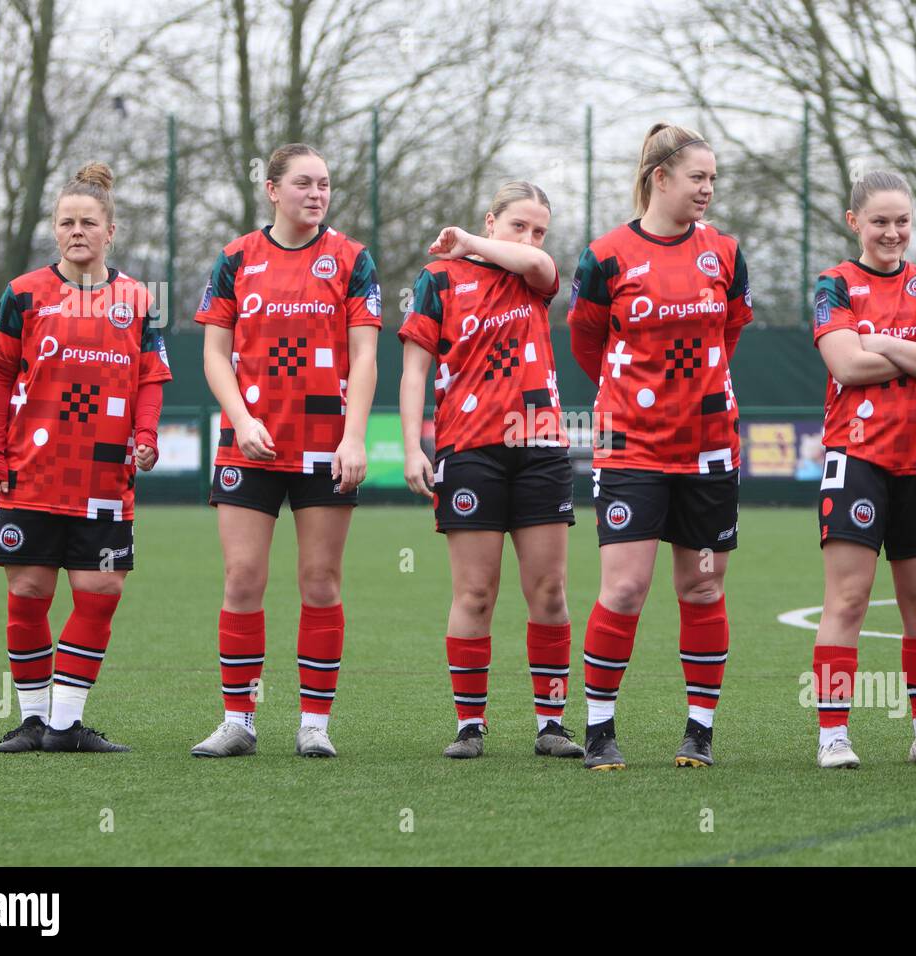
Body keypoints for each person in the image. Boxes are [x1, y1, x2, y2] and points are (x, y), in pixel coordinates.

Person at [568, 123, 752, 770]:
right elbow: (588, 343)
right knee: (624, 589)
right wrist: (638, 397)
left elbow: (729, 332)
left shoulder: (725, 253)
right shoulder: (606, 255)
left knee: (702, 587)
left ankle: (699, 732)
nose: (708, 189)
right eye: (698, 177)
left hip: (708, 444)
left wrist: (691, 392)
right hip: (630, 445)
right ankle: (598, 731)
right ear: (661, 177)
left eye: (713, 179)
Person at [190, 143, 381, 759]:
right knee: (243, 578)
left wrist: (354, 438)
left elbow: (365, 356)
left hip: (327, 445)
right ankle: (239, 721)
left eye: (324, 183)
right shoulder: (235, 258)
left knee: (320, 581)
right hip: (249, 445)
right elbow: (215, 354)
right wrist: (241, 420)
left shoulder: (352, 258)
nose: (317, 193)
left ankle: (314, 724)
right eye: (303, 183)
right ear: (272, 190)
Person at [0, 161, 170, 753]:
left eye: (89, 222)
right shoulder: (24, 293)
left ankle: (65, 726)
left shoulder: (138, 299)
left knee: (101, 590)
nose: (77, 231)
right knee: (30, 591)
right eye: (66, 222)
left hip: (105, 479)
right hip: (31, 474)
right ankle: (34, 719)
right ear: (54, 230)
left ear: (110, 231)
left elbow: (151, 378)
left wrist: (147, 435)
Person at [399, 181, 582, 760]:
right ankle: (470, 725)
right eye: (518, 225)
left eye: (539, 229)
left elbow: (539, 263)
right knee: (475, 593)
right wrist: (412, 447)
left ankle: (551, 724)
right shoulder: (439, 279)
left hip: (540, 445)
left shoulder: (534, 278)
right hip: (468, 448)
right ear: (492, 219)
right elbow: (413, 371)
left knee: (548, 592)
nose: (530, 238)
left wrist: (472, 240)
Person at [809, 170, 916, 770]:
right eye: (879, 221)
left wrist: (881, 343)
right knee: (847, 600)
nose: (892, 232)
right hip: (856, 458)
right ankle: (833, 735)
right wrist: (913, 347)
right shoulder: (835, 284)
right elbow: (845, 367)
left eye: (902, 221)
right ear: (855, 223)